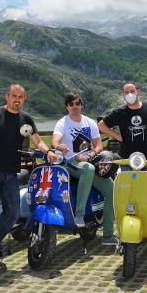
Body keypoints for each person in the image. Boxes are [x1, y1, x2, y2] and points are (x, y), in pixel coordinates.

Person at [0, 84, 56, 271]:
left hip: (11, 173)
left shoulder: (26, 119)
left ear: (24, 98)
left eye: (20, 97)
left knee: (13, 213)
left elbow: (38, 140)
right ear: (6, 96)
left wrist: (48, 151)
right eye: (13, 96)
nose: (17, 99)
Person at [52, 92, 117, 246]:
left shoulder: (89, 122)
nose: (74, 107)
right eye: (71, 104)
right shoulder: (63, 122)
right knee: (87, 168)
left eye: (77, 104)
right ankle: (79, 214)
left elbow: (99, 145)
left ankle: (108, 235)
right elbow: (55, 140)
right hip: (71, 162)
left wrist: (91, 154)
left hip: (89, 161)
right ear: (67, 107)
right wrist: (58, 146)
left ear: (81, 105)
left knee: (111, 189)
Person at [98, 82, 147, 160]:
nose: (130, 94)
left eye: (132, 91)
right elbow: (100, 125)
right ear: (124, 95)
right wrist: (116, 135)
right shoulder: (119, 111)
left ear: (137, 92)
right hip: (126, 158)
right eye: (126, 92)